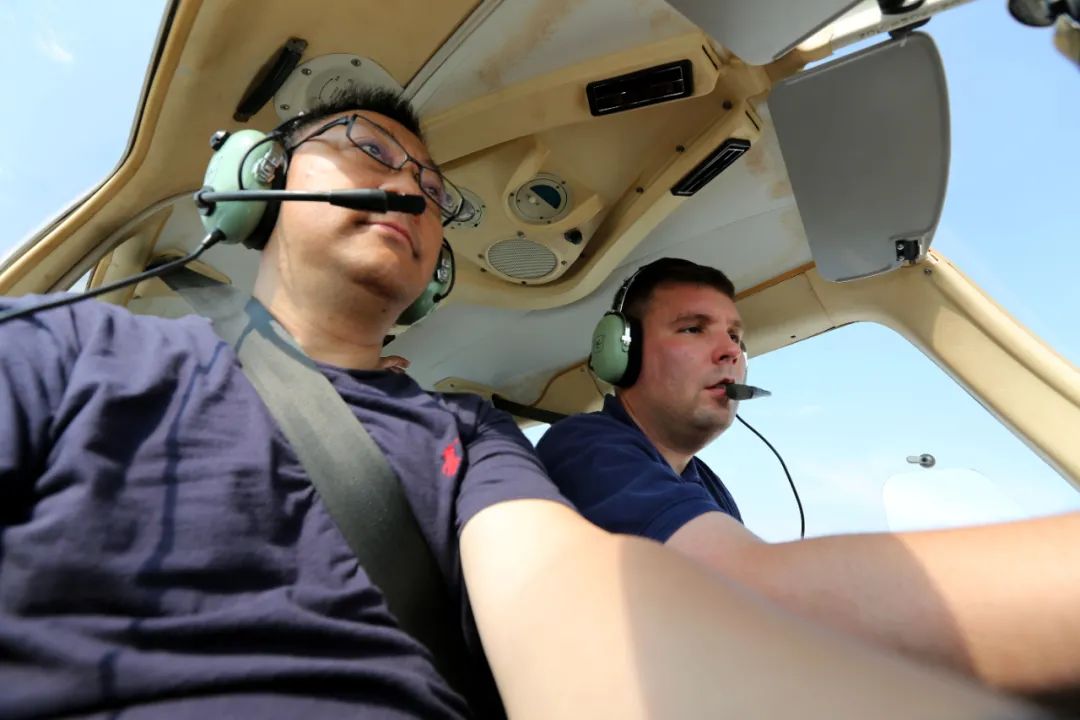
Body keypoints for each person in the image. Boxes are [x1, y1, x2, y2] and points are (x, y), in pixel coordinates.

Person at [0, 91, 1047, 720]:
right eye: (370, 152)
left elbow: (584, 612)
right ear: (254, 184)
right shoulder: (73, 343)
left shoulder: (473, 439)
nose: (410, 187)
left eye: (430, 182)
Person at [536, 257, 1080, 702]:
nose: (731, 351)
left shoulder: (705, 485)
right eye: (693, 329)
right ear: (621, 353)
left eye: (736, 335)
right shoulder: (586, 448)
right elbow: (751, 593)